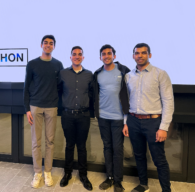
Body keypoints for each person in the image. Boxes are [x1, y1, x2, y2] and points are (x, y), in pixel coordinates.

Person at [123, 43, 174, 192]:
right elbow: (125, 102)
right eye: (137, 53)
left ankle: (166, 189)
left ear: (149, 55)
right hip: (133, 120)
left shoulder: (160, 74)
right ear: (133, 56)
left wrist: (163, 127)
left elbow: (168, 102)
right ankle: (143, 185)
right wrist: (126, 123)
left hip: (153, 122)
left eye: (143, 53)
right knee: (138, 155)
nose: (140, 56)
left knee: (159, 159)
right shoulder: (128, 76)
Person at [23, 35, 64, 188]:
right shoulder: (32, 64)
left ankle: (47, 172)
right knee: (36, 142)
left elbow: (60, 87)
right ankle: (37, 173)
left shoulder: (58, 64)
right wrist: (27, 109)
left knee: (50, 141)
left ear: (54, 46)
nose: (48, 45)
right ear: (41, 45)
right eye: (45, 43)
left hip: (52, 107)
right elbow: (26, 87)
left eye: (51, 43)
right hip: (35, 107)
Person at [94, 44, 130, 192]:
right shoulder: (97, 74)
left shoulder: (123, 71)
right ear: (100, 57)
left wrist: (126, 120)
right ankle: (109, 178)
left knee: (118, 149)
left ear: (114, 56)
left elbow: (129, 94)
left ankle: (118, 181)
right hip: (103, 117)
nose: (106, 56)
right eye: (103, 54)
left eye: (109, 53)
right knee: (107, 147)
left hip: (118, 119)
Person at [59, 46, 94, 191]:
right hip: (67, 115)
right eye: (74, 54)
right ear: (70, 57)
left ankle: (83, 175)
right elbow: (58, 91)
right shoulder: (63, 73)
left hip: (83, 116)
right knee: (69, 145)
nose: (77, 56)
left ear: (83, 57)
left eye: (80, 54)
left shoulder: (89, 75)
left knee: (82, 147)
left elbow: (92, 94)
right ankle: (67, 173)